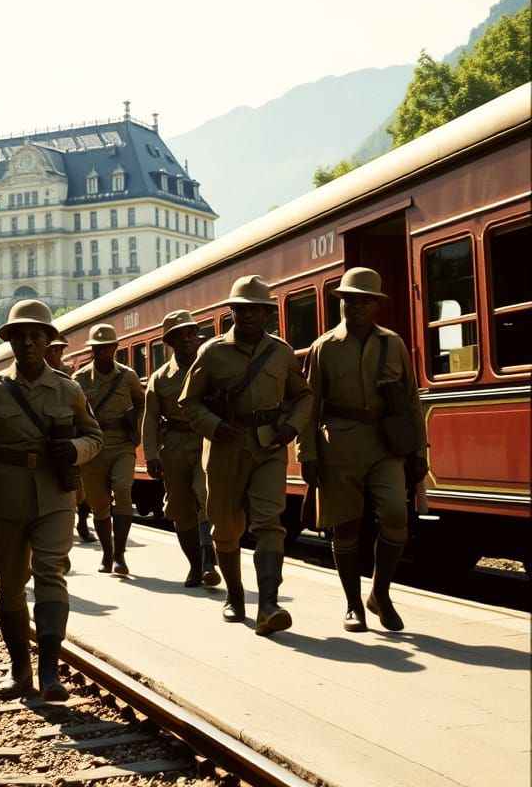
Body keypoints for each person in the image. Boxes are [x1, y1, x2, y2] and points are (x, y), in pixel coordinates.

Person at [0, 300, 103, 701]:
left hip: (55, 492)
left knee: (50, 573)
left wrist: (75, 448)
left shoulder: (68, 389)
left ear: (47, 341)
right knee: (9, 585)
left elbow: (95, 437)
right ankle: (19, 667)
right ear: (10, 342)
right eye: (18, 337)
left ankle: (51, 672)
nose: (26, 343)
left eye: (34, 336)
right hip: (5, 494)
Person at [179, 276, 312, 635]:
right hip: (225, 448)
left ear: (268, 313)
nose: (248, 314)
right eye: (241, 308)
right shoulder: (212, 353)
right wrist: (214, 426)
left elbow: (303, 395)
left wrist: (293, 426)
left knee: (270, 522)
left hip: (269, 446)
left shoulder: (282, 352)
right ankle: (235, 596)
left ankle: (268, 604)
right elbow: (188, 401)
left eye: (256, 309)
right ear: (232, 311)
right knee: (224, 527)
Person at [298, 267, 428, 632]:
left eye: (362, 300)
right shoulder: (324, 347)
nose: (353, 306)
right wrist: (306, 454)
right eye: (348, 300)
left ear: (375, 306)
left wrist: (420, 450)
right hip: (338, 445)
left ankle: (380, 593)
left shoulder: (393, 344)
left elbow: (410, 399)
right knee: (346, 524)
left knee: (394, 516)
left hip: (385, 444)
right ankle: (353, 605)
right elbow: (310, 405)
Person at [142, 310, 220, 588]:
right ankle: (195, 565)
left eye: (190, 333)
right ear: (170, 342)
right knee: (180, 507)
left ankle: (209, 559)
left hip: (206, 440)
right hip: (174, 446)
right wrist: (151, 455)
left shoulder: (212, 366)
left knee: (204, 494)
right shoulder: (160, 378)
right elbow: (150, 418)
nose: (186, 339)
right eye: (179, 335)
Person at [74, 323, 145, 575]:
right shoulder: (80, 379)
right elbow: (73, 412)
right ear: (92, 350)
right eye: (97, 348)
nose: (102, 352)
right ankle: (108, 553)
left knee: (123, 489)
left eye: (107, 348)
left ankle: (121, 555)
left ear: (115, 348)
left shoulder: (128, 376)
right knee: (99, 504)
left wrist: (135, 430)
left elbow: (141, 404)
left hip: (122, 444)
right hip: (93, 447)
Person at [46, 336, 93, 544]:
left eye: (60, 350)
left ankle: (82, 522)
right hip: (49, 438)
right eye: (53, 350)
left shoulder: (69, 376)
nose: (57, 354)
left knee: (81, 488)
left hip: (71, 438)